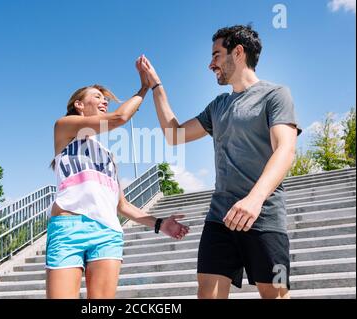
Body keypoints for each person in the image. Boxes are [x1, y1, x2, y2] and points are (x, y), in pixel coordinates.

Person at [138, 25, 302, 299]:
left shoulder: (275, 95)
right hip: (220, 219)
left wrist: (254, 199)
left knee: (276, 295)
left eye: (216, 55)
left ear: (238, 52)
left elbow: (285, 149)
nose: (210, 64)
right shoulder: (219, 105)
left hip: (265, 218)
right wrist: (157, 86)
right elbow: (174, 134)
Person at [46, 56, 190, 299]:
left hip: (107, 232)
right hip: (68, 227)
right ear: (79, 105)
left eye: (105, 98)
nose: (104, 101)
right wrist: (145, 88)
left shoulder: (108, 155)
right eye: (97, 97)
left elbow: (121, 205)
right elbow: (119, 118)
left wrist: (159, 223)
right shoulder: (65, 127)